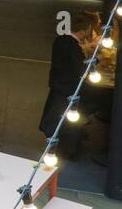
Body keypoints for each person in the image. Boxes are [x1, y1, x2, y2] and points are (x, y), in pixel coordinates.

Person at [38, 12, 93, 158]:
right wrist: (95, 60)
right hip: (68, 87)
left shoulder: (60, 41)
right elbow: (81, 69)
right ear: (84, 31)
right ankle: (69, 148)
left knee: (54, 114)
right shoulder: (73, 47)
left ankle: (54, 137)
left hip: (57, 83)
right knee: (66, 117)